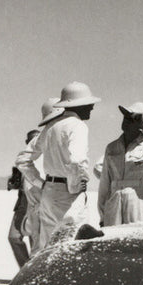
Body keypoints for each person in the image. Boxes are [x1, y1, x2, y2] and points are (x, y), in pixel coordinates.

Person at [17, 83, 99, 251]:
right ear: (79, 104)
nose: (92, 107)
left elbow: (23, 160)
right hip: (69, 195)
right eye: (89, 103)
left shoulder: (50, 127)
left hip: (49, 194)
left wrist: (41, 184)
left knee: (49, 248)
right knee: (74, 247)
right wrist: (76, 184)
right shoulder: (78, 126)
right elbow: (77, 160)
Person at [7, 129, 40, 267]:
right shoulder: (22, 160)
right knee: (14, 237)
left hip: (38, 202)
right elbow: (14, 184)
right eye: (31, 140)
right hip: (22, 203)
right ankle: (26, 268)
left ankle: (35, 273)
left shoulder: (46, 160)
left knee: (36, 241)